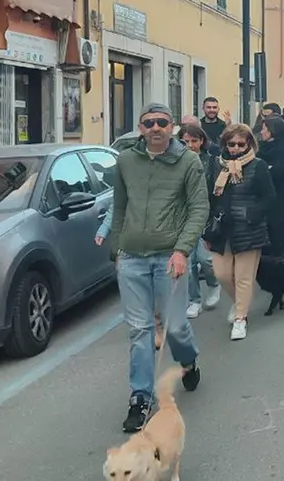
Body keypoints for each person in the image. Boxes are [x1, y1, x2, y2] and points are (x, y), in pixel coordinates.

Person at [110, 102, 208, 433]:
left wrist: (183, 250)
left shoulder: (188, 161)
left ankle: (189, 359)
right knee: (140, 330)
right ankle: (140, 398)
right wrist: (117, 250)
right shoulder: (125, 161)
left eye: (162, 122)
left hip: (170, 257)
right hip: (133, 257)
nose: (155, 128)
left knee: (176, 327)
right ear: (140, 127)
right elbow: (119, 206)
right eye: (149, 122)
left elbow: (198, 208)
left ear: (172, 128)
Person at [204, 123, 276, 341]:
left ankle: (240, 319)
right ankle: (238, 303)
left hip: (249, 228)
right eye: (231, 143)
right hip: (221, 229)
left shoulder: (258, 166)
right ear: (224, 143)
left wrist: (252, 214)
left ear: (249, 144)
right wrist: (207, 228)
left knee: (244, 277)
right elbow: (209, 197)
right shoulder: (217, 166)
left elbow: (269, 197)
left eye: (240, 144)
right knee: (222, 274)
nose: (235, 148)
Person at [177, 124, 222, 318]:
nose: (189, 145)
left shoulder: (212, 162)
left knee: (206, 259)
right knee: (188, 262)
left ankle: (214, 284)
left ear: (201, 141)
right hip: (182, 219)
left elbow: (219, 192)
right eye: (185, 141)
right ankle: (194, 301)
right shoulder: (174, 163)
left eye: (194, 141)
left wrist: (216, 216)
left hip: (206, 217)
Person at [257, 116, 284, 257]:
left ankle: (277, 274)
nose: (261, 132)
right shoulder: (259, 149)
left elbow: (278, 172)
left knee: (276, 243)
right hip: (261, 203)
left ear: (272, 131)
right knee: (261, 245)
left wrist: (266, 170)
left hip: (279, 204)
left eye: (264, 129)